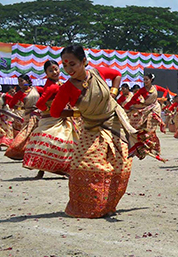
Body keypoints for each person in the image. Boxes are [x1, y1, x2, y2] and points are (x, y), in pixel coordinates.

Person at [50, 45, 138, 218]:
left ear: (84, 61)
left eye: (72, 64)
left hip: (114, 122)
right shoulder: (67, 87)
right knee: (83, 164)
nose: (68, 69)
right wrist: (79, 112)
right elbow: (54, 111)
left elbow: (117, 74)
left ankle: (109, 205)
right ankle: (88, 206)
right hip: (91, 127)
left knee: (121, 165)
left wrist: (113, 91)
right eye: (65, 65)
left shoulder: (98, 73)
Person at [22, 60, 75, 178]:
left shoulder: (60, 84)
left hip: (61, 117)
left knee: (63, 142)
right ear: (46, 73)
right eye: (50, 70)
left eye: (56, 69)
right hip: (52, 119)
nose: (54, 72)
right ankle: (49, 168)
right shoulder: (52, 87)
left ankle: (53, 169)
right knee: (56, 141)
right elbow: (40, 103)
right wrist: (50, 108)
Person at [124, 73, 165, 157]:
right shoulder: (142, 90)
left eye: (147, 79)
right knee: (141, 127)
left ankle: (154, 148)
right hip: (146, 108)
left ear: (151, 80)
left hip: (155, 108)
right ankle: (144, 147)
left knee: (151, 128)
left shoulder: (156, 88)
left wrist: (162, 98)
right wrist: (127, 107)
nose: (145, 81)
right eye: (144, 79)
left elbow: (165, 91)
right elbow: (134, 99)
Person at [4, 75, 42, 160]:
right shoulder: (19, 93)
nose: (20, 83)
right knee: (28, 134)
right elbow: (11, 105)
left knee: (39, 133)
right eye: (19, 82)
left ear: (27, 81)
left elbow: (47, 95)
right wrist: (22, 108)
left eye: (21, 81)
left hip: (39, 114)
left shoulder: (36, 89)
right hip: (28, 116)